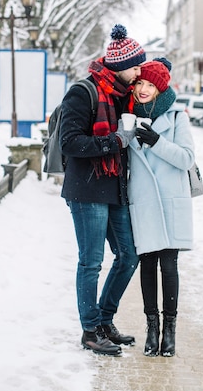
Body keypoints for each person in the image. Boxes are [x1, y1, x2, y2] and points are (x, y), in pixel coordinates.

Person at [59, 24, 145, 356]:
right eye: (135, 65)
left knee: (128, 256)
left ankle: (105, 321)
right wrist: (115, 141)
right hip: (87, 189)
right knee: (91, 262)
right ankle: (90, 330)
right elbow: (70, 143)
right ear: (119, 65)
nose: (138, 71)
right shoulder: (84, 92)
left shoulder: (125, 96)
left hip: (115, 188)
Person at [127, 58, 195, 357]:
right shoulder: (126, 115)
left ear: (160, 88)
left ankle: (169, 331)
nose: (143, 89)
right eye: (140, 83)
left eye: (150, 85)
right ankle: (151, 328)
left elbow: (186, 159)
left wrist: (156, 142)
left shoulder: (178, 117)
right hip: (142, 199)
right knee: (147, 265)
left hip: (169, 200)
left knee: (169, 265)